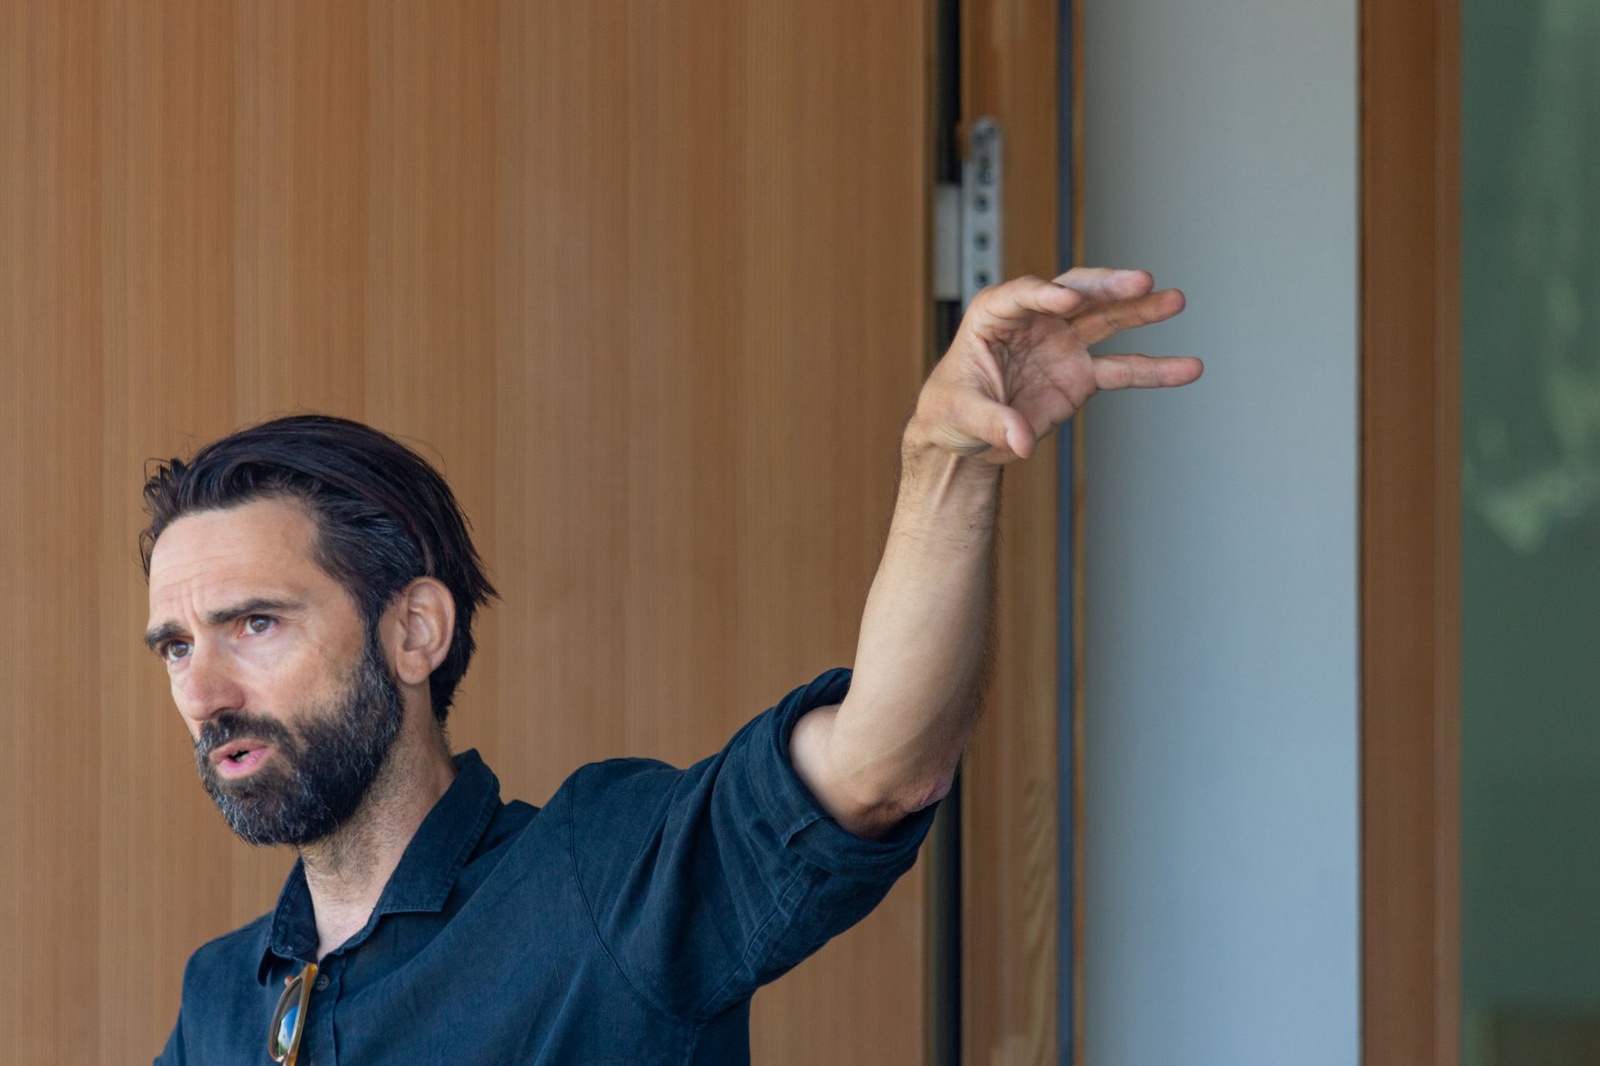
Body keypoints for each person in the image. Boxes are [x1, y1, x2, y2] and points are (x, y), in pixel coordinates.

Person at [146, 270, 1199, 1064]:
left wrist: (947, 467)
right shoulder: (222, 999)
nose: (203, 693)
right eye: (179, 647)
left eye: (256, 625)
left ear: (414, 632)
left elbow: (881, 763)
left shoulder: (603, 881)